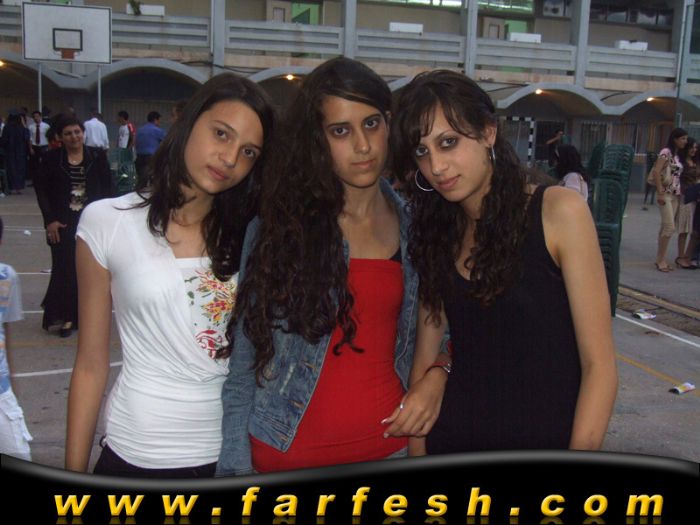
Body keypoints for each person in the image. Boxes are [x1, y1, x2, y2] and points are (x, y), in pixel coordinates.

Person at [217, 57, 447, 476]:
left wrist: (438, 374)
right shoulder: (277, 230)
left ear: (389, 123)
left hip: (388, 452)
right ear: (317, 141)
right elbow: (242, 369)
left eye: (371, 124)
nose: (363, 145)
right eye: (341, 130)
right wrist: (235, 469)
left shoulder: (419, 229)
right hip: (285, 458)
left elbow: (450, 332)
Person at [391, 70, 617, 454]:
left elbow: (600, 368)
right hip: (453, 442)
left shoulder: (558, 212)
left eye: (448, 142)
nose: (437, 166)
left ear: (488, 132)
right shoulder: (436, 234)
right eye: (422, 152)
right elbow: (423, 362)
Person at [65, 73, 275, 477]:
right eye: (221, 134)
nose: (230, 158)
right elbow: (90, 365)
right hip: (134, 452)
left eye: (248, 152)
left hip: (231, 456)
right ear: (187, 123)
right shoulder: (107, 221)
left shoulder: (255, 236)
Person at [33, 116, 113, 337]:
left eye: (77, 132)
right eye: (68, 133)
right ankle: (67, 315)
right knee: (65, 269)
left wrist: (109, 218)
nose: (74, 137)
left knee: (90, 271)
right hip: (62, 223)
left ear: (83, 132)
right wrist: (50, 220)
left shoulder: (96, 156)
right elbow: (42, 192)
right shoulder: (50, 159)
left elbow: (108, 189)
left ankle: (84, 315)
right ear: (60, 137)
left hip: (92, 222)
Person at [0, 217, 33, 461]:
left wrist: (11, 376)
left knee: (18, 452)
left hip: (1, 387)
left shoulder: (6, 277)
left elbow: (5, 328)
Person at [650, 128, 688, 272]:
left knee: (665, 227)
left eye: (686, 139)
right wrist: (660, 191)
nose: (685, 141)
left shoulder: (678, 155)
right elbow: (656, 171)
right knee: (669, 227)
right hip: (665, 193)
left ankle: (660, 258)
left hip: (675, 194)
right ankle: (661, 260)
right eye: (682, 138)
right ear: (675, 139)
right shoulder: (666, 152)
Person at [677, 138, 700, 269]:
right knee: (684, 229)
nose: (694, 150)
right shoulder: (681, 162)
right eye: (691, 147)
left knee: (694, 231)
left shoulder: (695, 162)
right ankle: (681, 257)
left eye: (695, 147)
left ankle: (688, 256)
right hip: (685, 197)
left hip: (696, 197)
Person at [134, 111, 165, 190]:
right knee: (154, 179)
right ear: (155, 120)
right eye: (159, 120)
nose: (160, 123)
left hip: (139, 157)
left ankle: (138, 192)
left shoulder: (140, 130)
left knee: (142, 179)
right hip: (152, 157)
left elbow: (136, 144)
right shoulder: (158, 130)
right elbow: (166, 144)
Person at [0, 112, 30, 195]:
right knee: (20, 170)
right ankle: (18, 188)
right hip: (20, 152)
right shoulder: (21, 128)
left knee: (10, 170)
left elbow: (4, 140)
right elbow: (27, 137)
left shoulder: (7, 127)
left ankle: (10, 187)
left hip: (10, 152)